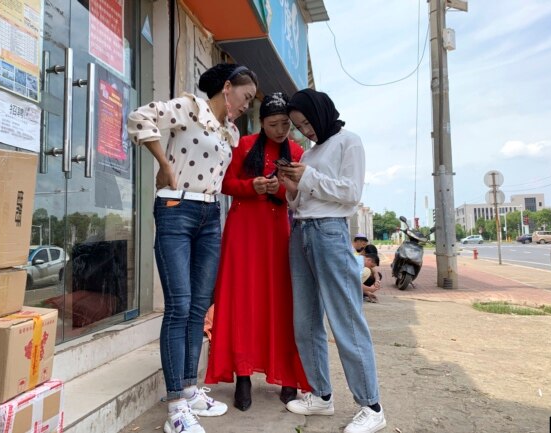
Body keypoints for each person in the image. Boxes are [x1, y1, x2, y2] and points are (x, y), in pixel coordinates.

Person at [127, 63, 258, 433]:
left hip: (210, 214)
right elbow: (140, 117)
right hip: (175, 209)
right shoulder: (188, 109)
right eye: (246, 97)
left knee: (199, 307)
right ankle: (175, 407)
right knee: (179, 305)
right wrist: (164, 163)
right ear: (228, 88)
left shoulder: (229, 132)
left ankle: (188, 387)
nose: (247, 105)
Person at [277, 88, 387, 433]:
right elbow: (301, 203)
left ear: (322, 112)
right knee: (305, 320)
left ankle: (371, 406)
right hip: (302, 232)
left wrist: (306, 178)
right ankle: (320, 394)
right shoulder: (310, 153)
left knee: (345, 319)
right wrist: (290, 186)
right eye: (299, 126)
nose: (305, 130)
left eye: (307, 122)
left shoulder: (347, 141)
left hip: (329, 232)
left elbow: (350, 193)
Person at [204, 93, 309, 412]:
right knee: (242, 301)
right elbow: (224, 183)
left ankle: (288, 376)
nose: (281, 130)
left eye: (286, 125)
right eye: (274, 124)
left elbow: (301, 193)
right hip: (242, 232)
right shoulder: (244, 144)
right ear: (261, 123)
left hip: (278, 232)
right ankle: (243, 376)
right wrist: (253, 187)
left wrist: (281, 188)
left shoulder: (296, 150)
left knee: (280, 301)